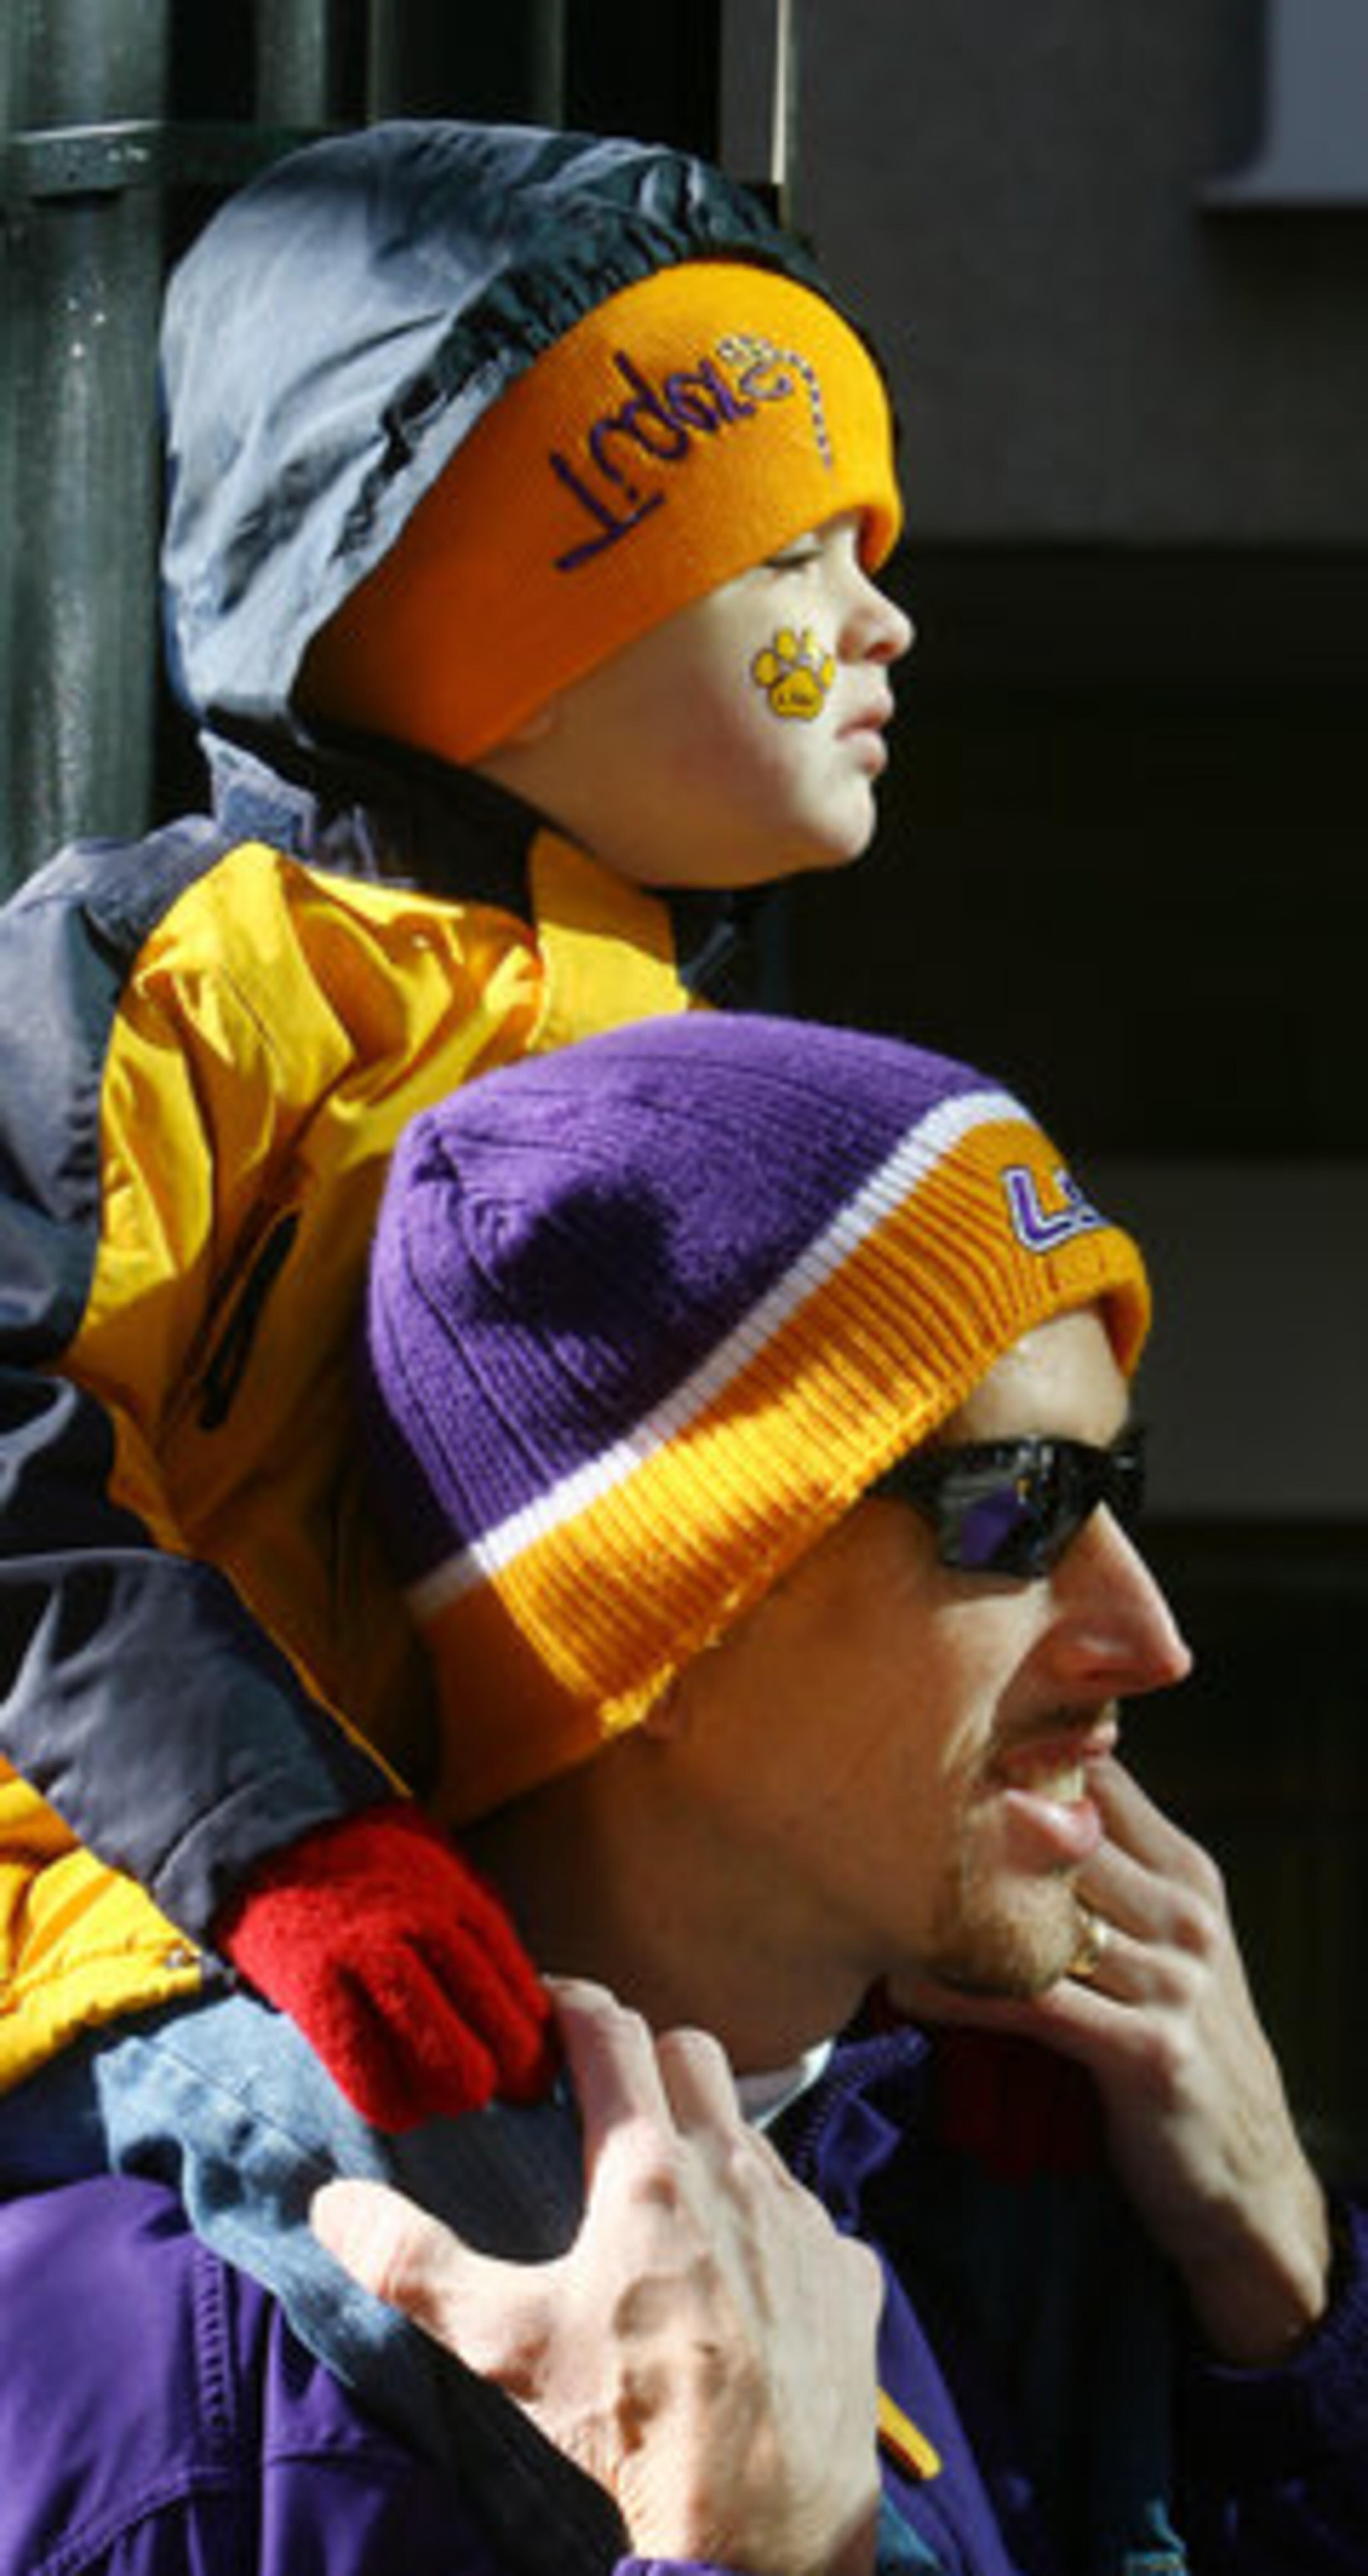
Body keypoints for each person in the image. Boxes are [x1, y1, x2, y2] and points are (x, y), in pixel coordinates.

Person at [2, 1012, 1361, 2576]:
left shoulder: (1017, 2228)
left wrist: (1286, 2314)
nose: (1154, 1640)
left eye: (1121, 1487)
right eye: (1023, 1509)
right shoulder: (152, 2384)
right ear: (651, 1614)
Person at [0, 117, 909, 2143]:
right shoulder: (174, 969)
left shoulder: (712, 1051)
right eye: (787, 555)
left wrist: (943, 1941)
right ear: (486, 610)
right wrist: (282, 1847)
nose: (881, 625)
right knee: (507, 2255)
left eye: (872, 549)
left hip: (545, 1955)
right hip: (128, 1922)